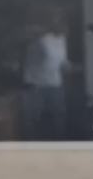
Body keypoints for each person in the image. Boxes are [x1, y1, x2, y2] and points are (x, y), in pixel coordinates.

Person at [22, 9, 71, 139]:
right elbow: (34, 60)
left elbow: (62, 61)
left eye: (64, 23)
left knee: (59, 116)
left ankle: (60, 142)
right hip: (37, 85)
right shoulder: (39, 40)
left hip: (55, 84)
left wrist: (67, 66)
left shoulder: (62, 40)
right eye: (59, 22)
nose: (65, 28)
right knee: (34, 119)